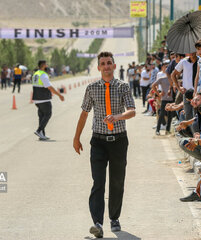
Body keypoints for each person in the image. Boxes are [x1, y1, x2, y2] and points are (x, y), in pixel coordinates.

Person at [73, 52, 135, 238]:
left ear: (114, 66)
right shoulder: (92, 88)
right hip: (98, 141)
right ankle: (97, 223)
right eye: (103, 64)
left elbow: (132, 111)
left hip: (118, 141)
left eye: (109, 63)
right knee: (98, 182)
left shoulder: (123, 87)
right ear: (98, 67)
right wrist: (76, 138)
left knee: (117, 181)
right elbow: (84, 113)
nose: (106, 66)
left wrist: (117, 117)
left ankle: (114, 218)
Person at [32, 60, 64, 140]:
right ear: (43, 65)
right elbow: (49, 87)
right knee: (48, 114)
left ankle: (42, 134)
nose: (47, 66)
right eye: (46, 64)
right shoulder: (43, 75)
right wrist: (59, 95)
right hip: (43, 98)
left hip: (36, 98)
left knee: (41, 116)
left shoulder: (35, 74)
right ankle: (39, 131)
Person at [151, 60, 173, 135]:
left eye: (168, 68)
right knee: (161, 114)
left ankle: (168, 130)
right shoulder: (162, 78)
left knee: (170, 115)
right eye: (165, 67)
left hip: (171, 99)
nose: (167, 69)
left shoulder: (172, 78)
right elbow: (153, 86)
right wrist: (158, 94)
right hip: (164, 99)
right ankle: (157, 130)